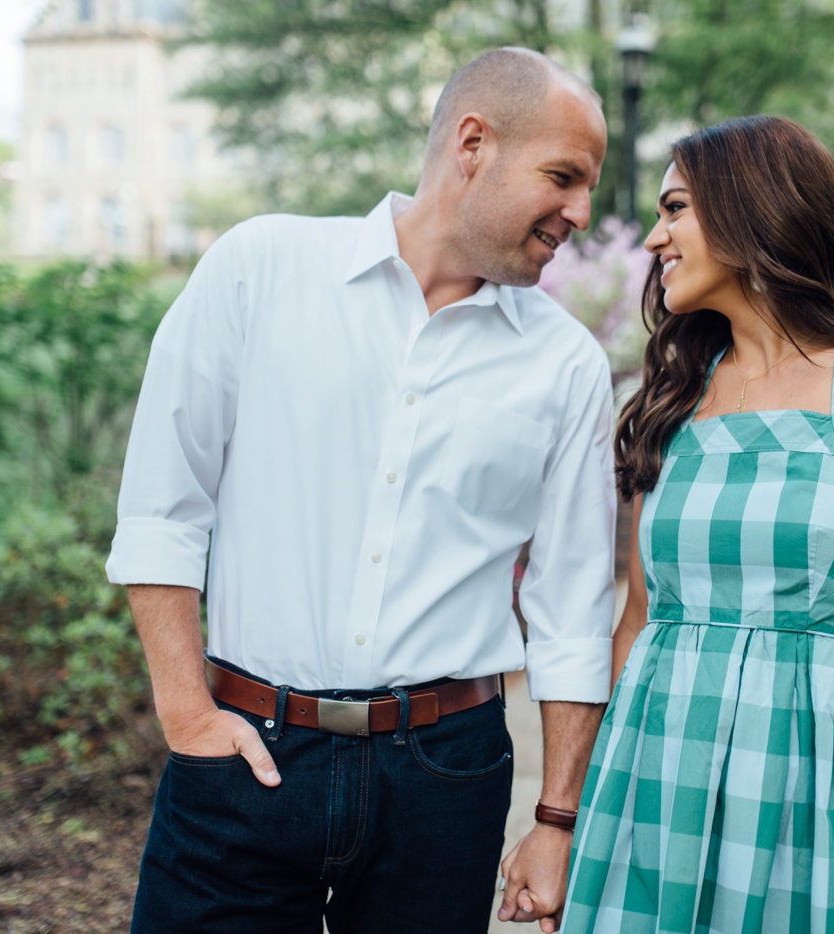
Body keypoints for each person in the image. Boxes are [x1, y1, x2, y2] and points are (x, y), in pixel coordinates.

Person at [106, 47, 617, 933]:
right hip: (244, 752)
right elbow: (162, 505)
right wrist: (187, 714)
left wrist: (555, 820)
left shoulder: (567, 364)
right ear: (473, 143)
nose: (579, 211)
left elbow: (572, 609)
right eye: (563, 177)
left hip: (446, 780)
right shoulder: (260, 268)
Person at [561, 115, 834, 933]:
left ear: (749, 208)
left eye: (675, 208)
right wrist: (583, 813)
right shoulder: (676, 395)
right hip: (661, 794)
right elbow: (640, 621)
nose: (655, 238)